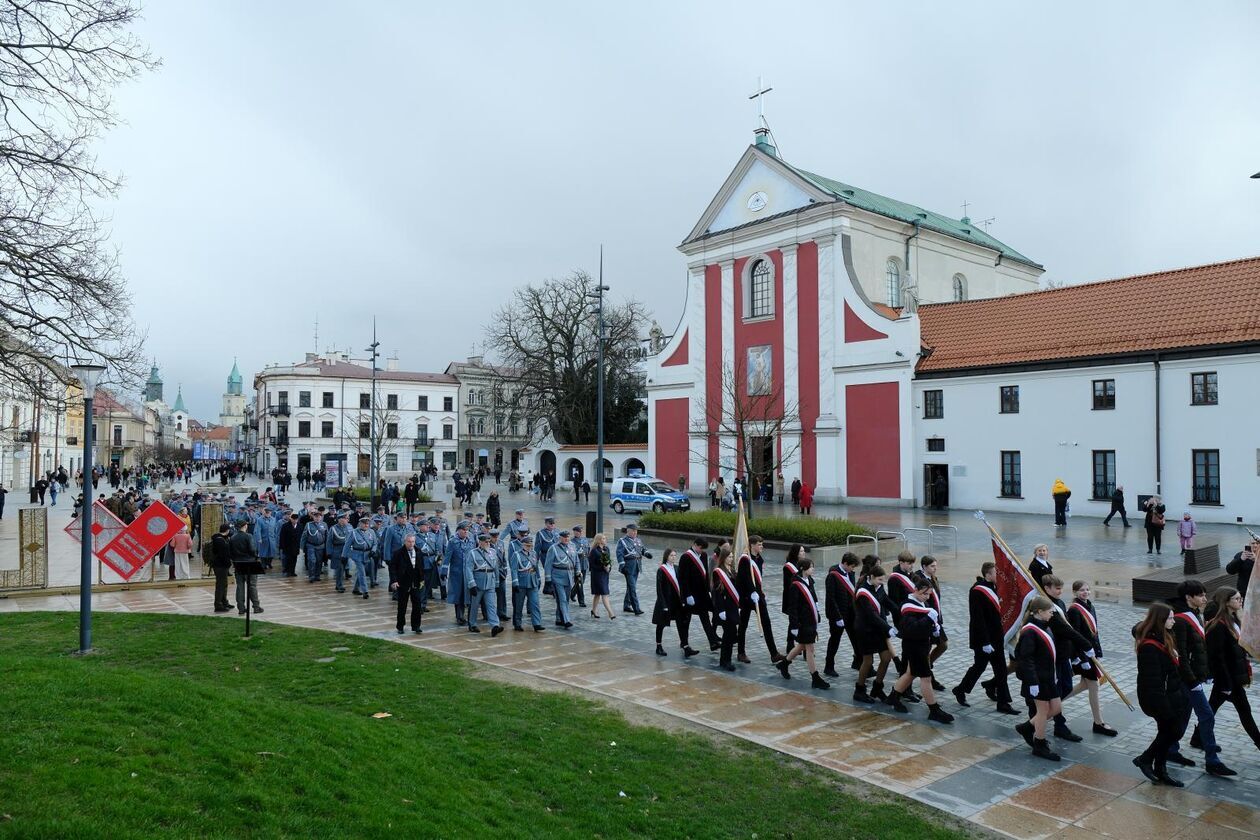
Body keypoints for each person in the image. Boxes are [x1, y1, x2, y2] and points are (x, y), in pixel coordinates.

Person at [1168, 580, 1236, 776]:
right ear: (1188, 597)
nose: (1205, 598)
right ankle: (1211, 760)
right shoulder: (1181, 619)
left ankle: (1172, 749)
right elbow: (1181, 653)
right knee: (1206, 715)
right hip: (1187, 679)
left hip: (1193, 677)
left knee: (1184, 716)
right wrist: (1193, 681)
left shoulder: (1195, 614)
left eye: (1205, 594)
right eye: (1200, 595)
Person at [1132, 602, 1191, 786]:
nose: (1174, 621)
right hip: (1159, 699)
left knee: (1168, 732)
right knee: (1172, 731)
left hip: (1172, 695)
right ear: (1161, 620)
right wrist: (1164, 707)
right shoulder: (1150, 646)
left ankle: (1160, 769)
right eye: (1170, 618)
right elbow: (1153, 682)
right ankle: (1145, 759)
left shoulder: (1165, 636)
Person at [885, 576, 953, 723]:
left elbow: (924, 624)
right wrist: (929, 619)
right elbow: (911, 629)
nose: (927, 597)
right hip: (915, 646)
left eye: (929, 594)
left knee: (910, 674)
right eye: (924, 593)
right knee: (926, 678)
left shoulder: (920, 603)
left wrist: (934, 631)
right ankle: (934, 710)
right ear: (915, 590)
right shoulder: (908, 606)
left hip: (921, 645)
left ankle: (893, 697)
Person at [953, 561, 1017, 713]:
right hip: (984, 639)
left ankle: (1003, 703)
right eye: (996, 573)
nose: (998, 576)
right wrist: (985, 642)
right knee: (979, 667)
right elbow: (978, 619)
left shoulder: (995, 587)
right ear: (988, 575)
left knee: (1001, 670)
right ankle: (960, 689)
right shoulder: (977, 591)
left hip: (996, 637)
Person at [1203, 587, 1260, 750]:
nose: (1240, 601)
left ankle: (1197, 736)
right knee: (1245, 711)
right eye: (1236, 599)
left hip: (1232, 675)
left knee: (1211, 708)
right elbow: (1217, 658)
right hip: (1229, 678)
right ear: (1226, 602)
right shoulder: (1219, 626)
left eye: (1240, 598)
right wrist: (1226, 683)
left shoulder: (1233, 620)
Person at [1065, 581, 1118, 736]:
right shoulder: (1074, 610)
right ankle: (1098, 722)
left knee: (1085, 684)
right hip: (1082, 655)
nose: (1085, 592)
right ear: (1075, 592)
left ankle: (1054, 700)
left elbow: (1095, 632)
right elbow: (1075, 636)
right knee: (1093, 685)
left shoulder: (1090, 606)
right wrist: (1081, 658)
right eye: (1082, 590)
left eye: (1087, 589)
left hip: (1090, 652)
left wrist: (1098, 652)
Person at [1016, 596, 1062, 761]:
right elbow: (1026, 658)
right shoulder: (1029, 631)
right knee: (1042, 712)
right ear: (1040, 612)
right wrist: (1032, 682)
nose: (1052, 614)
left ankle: (1027, 727)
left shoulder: (1043, 625)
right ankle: (1039, 744)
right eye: (1050, 611)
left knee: (1056, 708)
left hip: (1048, 677)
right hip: (1037, 679)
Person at [776, 556, 829, 689]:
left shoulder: (809, 580)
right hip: (802, 622)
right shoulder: (795, 585)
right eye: (811, 567)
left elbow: (813, 596)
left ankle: (784, 664)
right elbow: (792, 607)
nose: (813, 569)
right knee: (809, 648)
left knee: (801, 646)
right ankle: (815, 677)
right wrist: (794, 625)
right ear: (803, 569)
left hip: (811, 618)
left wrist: (817, 610)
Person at [853, 557, 894, 703]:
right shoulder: (863, 593)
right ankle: (859, 689)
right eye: (879, 580)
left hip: (878, 628)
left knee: (886, 657)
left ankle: (877, 688)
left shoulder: (879, 587)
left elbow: (886, 601)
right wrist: (888, 628)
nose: (881, 583)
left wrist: (901, 611)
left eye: (883, 580)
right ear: (871, 577)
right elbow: (871, 616)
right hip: (865, 631)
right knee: (868, 661)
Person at [736, 535, 781, 664]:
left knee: (766, 623)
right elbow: (743, 579)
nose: (762, 546)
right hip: (747, 597)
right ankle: (741, 652)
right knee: (743, 625)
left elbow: (757, 578)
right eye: (759, 544)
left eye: (762, 544)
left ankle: (774, 653)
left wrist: (758, 593)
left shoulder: (759, 559)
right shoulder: (745, 560)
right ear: (752, 545)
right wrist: (750, 592)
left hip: (758, 596)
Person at [822, 552, 859, 677]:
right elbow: (831, 598)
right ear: (845, 563)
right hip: (837, 614)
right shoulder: (833, 575)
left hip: (850, 613)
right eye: (852, 566)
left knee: (856, 638)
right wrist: (837, 617)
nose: (853, 569)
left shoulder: (850, 573)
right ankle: (829, 666)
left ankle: (858, 662)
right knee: (835, 640)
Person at [679, 537, 718, 651]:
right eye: (700, 548)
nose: (701, 550)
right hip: (690, 594)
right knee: (686, 620)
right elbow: (682, 578)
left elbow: (705, 574)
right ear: (695, 544)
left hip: (701, 594)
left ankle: (713, 642)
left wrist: (708, 591)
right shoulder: (686, 557)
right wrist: (687, 595)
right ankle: (684, 642)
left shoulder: (704, 555)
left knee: (705, 617)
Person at [466, 532, 504, 636]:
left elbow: (496, 567)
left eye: (489, 541)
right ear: (480, 542)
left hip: (490, 581)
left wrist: (497, 582)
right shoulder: (473, 553)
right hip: (478, 581)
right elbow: (468, 569)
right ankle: (472, 624)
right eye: (486, 542)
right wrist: (471, 584)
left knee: (491, 605)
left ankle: (495, 625)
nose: (488, 543)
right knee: (474, 605)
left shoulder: (492, 552)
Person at [653, 548, 689, 656]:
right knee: (661, 624)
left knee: (681, 623)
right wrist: (663, 604)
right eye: (671, 555)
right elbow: (659, 589)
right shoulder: (662, 570)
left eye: (674, 555)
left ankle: (686, 646)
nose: (673, 557)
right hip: (665, 602)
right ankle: (658, 646)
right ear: (666, 557)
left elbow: (681, 586)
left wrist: (683, 600)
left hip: (676, 602)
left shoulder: (677, 568)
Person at [711, 547, 741, 672]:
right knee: (728, 634)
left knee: (731, 634)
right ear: (723, 558)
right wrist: (721, 609)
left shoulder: (732, 571)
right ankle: (725, 661)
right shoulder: (718, 572)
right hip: (725, 607)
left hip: (733, 606)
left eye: (732, 557)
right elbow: (717, 593)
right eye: (729, 557)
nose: (731, 559)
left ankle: (725, 658)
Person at [920, 555, 948, 690]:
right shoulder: (920, 580)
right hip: (928, 620)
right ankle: (928, 673)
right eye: (932, 566)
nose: (935, 568)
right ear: (924, 567)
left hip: (937, 619)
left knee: (943, 645)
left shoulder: (933, 578)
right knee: (930, 647)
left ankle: (927, 665)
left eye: (935, 565)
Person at [389, 533, 424, 635]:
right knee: (402, 606)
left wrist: (422, 579)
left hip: (416, 583)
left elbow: (421, 567)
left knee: (417, 605)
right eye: (409, 541)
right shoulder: (398, 553)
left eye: (413, 541)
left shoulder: (418, 551)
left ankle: (416, 626)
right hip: (403, 583)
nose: (411, 544)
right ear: (405, 542)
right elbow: (393, 568)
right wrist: (394, 581)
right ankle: (400, 626)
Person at [510, 533, 545, 632]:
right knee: (519, 604)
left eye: (531, 545)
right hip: (521, 583)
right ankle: (517, 623)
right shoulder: (517, 555)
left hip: (532, 582)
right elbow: (513, 570)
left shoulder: (533, 554)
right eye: (527, 545)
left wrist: (538, 579)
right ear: (522, 545)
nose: (529, 547)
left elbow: (536, 567)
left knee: (535, 604)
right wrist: (515, 582)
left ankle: (537, 623)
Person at [544, 530, 577, 629]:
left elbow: (576, 560)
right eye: (564, 537)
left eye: (568, 537)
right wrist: (548, 579)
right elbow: (548, 565)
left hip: (569, 576)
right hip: (557, 576)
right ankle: (566, 620)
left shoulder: (572, 546)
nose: (566, 539)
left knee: (565, 599)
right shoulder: (553, 548)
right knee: (562, 599)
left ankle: (558, 618)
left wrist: (578, 572)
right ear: (560, 538)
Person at [229, 519, 262, 615]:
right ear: (244, 526)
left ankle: (241, 608)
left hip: (238, 563)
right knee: (252, 586)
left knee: (240, 586)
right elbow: (252, 549)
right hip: (249, 563)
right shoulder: (248, 536)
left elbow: (230, 552)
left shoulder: (233, 537)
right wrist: (256, 556)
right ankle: (256, 606)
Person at [616, 523, 648, 615]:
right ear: (628, 531)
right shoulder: (622, 541)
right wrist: (622, 565)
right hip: (628, 567)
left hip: (637, 566)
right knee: (632, 588)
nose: (635, 532)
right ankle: (636, 608)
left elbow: (642, 549)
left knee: (630, 587)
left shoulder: (638, 540)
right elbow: (619, 554)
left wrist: (646, 553)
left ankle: (626, 605)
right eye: (633, 531)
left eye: (636, 531)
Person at [445, 521, 473, 625]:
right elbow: (447, 556)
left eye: (467, 530)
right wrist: (444, 570)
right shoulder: (453, 541)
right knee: (459, 595)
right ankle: (460, 617)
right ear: (459, 530)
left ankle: (470, 616)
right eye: (464, 530)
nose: (466, 532)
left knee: (469, 594)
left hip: (469, 573)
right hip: (457, 573)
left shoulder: (471, 540)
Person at [345, 515, 377, 599]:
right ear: (360, 524)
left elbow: (375, 543)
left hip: (367, 555)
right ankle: (365, 591)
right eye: (364, 523)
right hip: (357, 555)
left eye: (367, 523)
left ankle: (355, 589)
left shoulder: (371, 532)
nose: (366, 525)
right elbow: (347, 545)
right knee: (362, 573)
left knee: (360, 572)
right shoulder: (354, 532)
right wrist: (344, 556)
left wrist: (373, 550)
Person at [587, 533, 615, 619]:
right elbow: (591, 565)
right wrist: (602, 567)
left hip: (605, 575)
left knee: (598, 594)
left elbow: (608, 561)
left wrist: (608, 568)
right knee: (604, 593)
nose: (605, 540)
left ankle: (593, 610)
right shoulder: (594, 551)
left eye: (605, 538)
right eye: (603, 539)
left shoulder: (607, 549)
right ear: (599, 540)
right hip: (597, 575)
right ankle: (611, 613)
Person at [326, 511, 352, 593]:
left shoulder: (348, 527)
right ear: (339, 519)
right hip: (337, 550)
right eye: (343, 518)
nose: (345, 520)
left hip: (346, 550)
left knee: (343, 568)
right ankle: (339, 585)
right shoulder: (333, 528)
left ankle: (339, 585)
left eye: (345, 518)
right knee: (339, 569)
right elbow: (329, 541)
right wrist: (329, 552)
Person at [209, 523, 233, 613]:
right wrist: (228, 564)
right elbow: (224, 555)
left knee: (224, 584)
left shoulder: (222, 538)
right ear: (227, 530)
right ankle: (218, 605)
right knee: (220, 585)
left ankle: (224, 602)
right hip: (220, 566)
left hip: (222, 566)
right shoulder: (220, 541)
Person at [299, 513, 327, 583]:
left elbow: (327, 535)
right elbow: (304, 535)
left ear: (321, 517)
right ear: (313, 517)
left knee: (319, 561)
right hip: (311, 545)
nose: (317, 518)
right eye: (315, 516)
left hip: (321, 546)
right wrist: (302, 547)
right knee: (312, 560)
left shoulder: (324, 524)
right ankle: (311, 576)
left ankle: (317, 576)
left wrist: (328, 547)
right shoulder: (308, 524)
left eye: (319, 516)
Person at [569, 525, 589, 610]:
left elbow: (588, 551)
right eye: (577, 531)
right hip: (577, 565)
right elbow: (571, 554)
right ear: (574, 532)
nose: (578, 533)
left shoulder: (585, 540)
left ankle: (572, 594)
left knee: (581, 582)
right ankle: (581, 601)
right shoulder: (571, 542)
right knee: (579, 582)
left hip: (584, 563)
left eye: (580, 531)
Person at [278, 512, 300, 577]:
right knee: (287, 559)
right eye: (293, 519)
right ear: (291, 519)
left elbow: (301, 536)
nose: (295, 520)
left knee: (294, 559)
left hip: (295, 546)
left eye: (296, 519)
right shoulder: (285, 526)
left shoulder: (300, 526)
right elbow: (282, 536)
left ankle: (292, 571)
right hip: (287, 546)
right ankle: (286, 571)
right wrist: (281, 546)